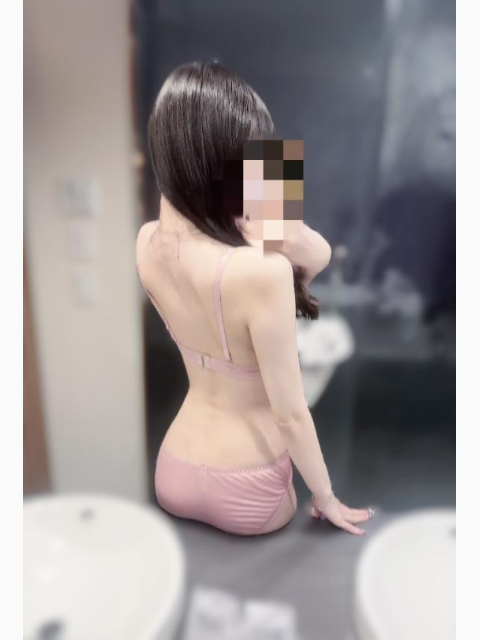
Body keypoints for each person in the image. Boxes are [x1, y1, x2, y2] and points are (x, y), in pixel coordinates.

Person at [136, 61, 373, 536]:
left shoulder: (144, 241)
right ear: (227, 164)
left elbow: (318, 254)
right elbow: (291, 415)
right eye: (252, 156)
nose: (260, 166)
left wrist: (265, 215)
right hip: (248, 480)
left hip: (174, 466)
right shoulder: (262, 269)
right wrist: (325, 497)